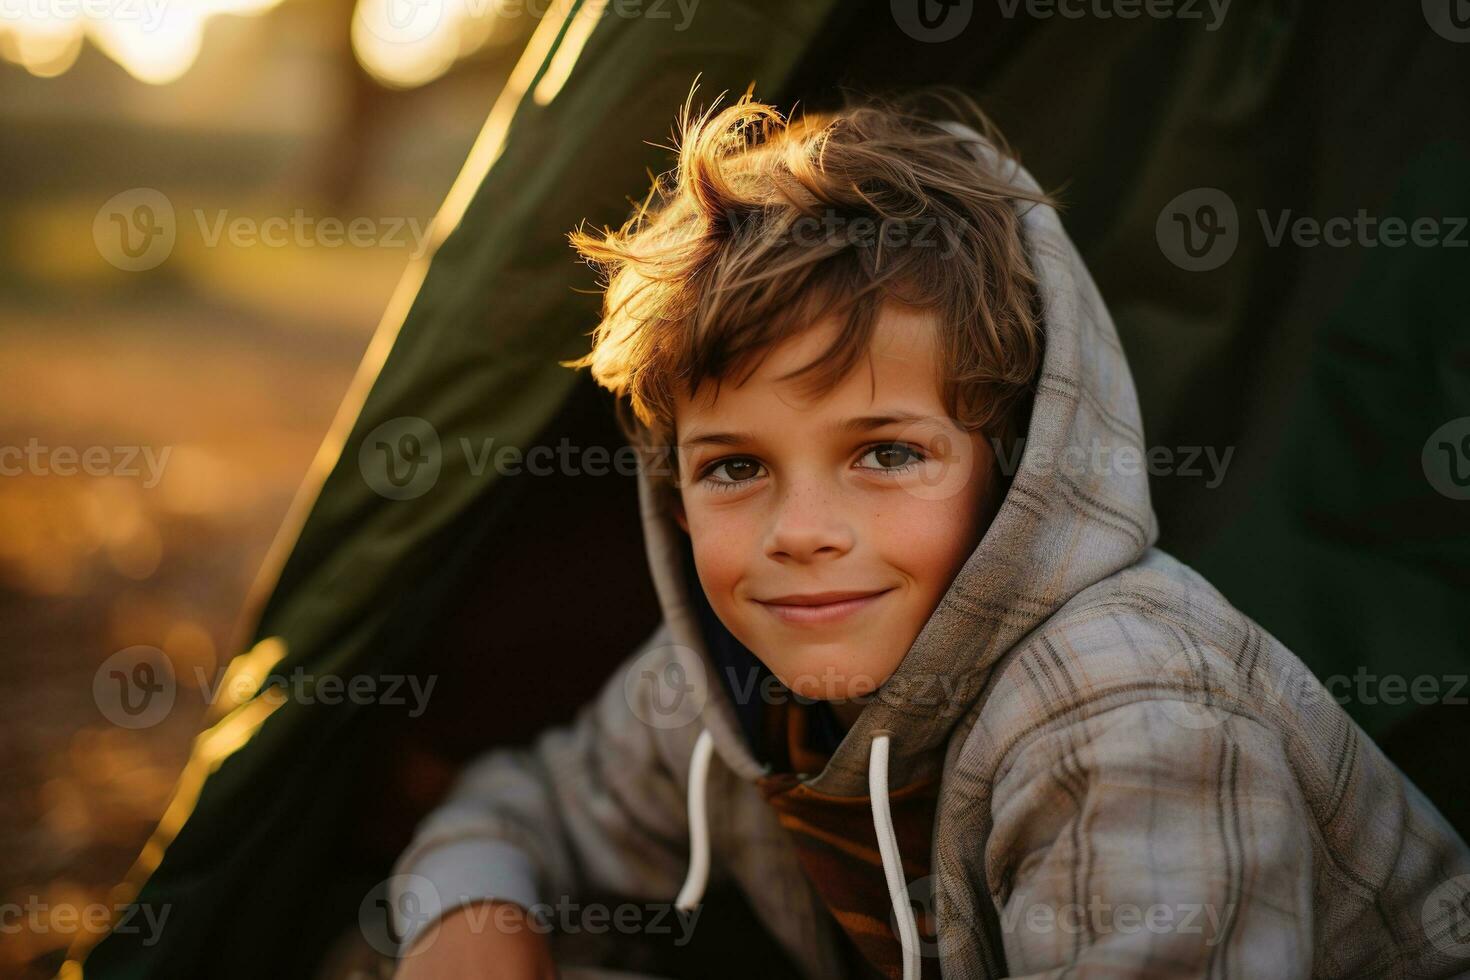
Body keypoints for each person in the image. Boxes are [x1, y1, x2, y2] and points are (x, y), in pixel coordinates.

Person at [386, 85, 1470, 979]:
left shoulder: (1134, 710)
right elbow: (524, 802)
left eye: (887, 453)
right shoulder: (727, 682)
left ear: (1010, 461)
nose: (801, 533)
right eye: (735, 467)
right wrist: (470, 921)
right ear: (672, 490)